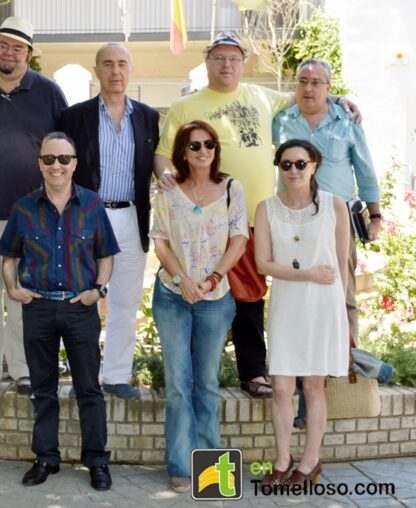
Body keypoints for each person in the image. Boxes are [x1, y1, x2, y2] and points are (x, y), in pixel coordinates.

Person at [155, 33, 361, 399]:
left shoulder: (262, 96)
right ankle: (196, 375)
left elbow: (304, 93)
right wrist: (166, 175)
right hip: (206, 220)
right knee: (201, 293)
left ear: (242, 63)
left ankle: (253, 372)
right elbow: (163, 152)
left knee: (250, 298)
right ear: (207, 62)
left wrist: (338, 98)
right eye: (219, 58)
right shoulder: (186, 105)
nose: (227, 65)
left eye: (234, 58)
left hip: (256, 219)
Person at [0, 132, 119, 491]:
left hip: (79, 308)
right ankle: (46, 458)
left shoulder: (93, 205)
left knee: (89, 390)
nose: (56, 166)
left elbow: (106, 254)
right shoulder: (23, 207)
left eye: (64, 159)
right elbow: (9, 255)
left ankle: (97, 461)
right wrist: (12, 287)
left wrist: (97, 291)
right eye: (49, 159)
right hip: (37, 308)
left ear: (74, 164)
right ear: (40, 163)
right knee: (43, 390)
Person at [0, 16, 68, 394]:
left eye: (17, 47)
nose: (9, 52)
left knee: (25, 297)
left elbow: (62, 150)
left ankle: (23, 370)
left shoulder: (50, 93)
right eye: (3, 44)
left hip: (32, 215)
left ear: (29, 54)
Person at [150, 121, 248, 492]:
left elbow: (238, 240)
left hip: (215, 300)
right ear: (183, 151)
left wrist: (209, 280)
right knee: (177, 383)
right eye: (194, 146)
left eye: (208, 144)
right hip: (173, 296)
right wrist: (183, 281)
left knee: (206, 383)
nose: (202, 150)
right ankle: (179, 463)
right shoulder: (168, 192)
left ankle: (212, 473)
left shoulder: (231, 189)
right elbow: (160, 243)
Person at [59, 43, 159, 400]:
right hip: (88, 217)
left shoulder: (147, 117)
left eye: (122, 64)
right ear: (96, 71)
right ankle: (84, 379)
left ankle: (117, 376)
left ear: (130, 70)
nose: (115, 71)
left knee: (125, 301)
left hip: (131, 216)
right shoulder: (75, 117)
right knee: (82, 300)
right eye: (108, 64)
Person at [254, 139, 349, 486]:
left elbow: (341, 266)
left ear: (314, 166)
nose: (293, 170)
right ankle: (282, 459)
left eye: (300, 164)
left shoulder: (335, 206)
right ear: (279, 168)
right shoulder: (266, 208)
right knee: (281, 387)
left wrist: (345, 316)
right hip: (287, 304)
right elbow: (263, 263)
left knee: (313, 387)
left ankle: (310, 462)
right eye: (286, 164)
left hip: (324, 306)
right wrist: (307, 273)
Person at [273, 58, 380, 344]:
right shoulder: (280, 120)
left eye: (316, 83)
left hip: (337, 220)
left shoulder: (346, 121)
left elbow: (365, 168)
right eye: (303, 81)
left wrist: (376, 215)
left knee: (342, 291)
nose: (308, 88)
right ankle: (300, 361)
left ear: (328, 87)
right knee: (295, 291)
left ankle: (345, 362)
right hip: (293, 219)